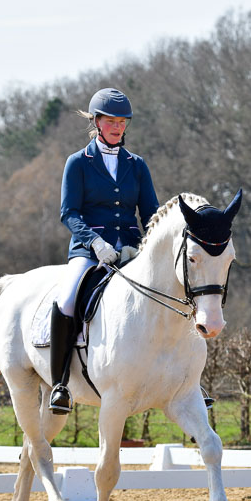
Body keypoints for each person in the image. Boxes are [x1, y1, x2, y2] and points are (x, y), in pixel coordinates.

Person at [49, 87, 159, 414]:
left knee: (173, 291)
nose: (117, 127)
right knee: (67, 299)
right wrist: (95, 242)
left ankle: (186, 378)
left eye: (122, 121)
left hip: (131, 249)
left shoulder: (136, 166)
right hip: (88, 248)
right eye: (111, 121)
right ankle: (59, 384)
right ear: (96, 122)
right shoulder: (77, 164)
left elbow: (151, 212)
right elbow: (69, 212)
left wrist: (148, 246)